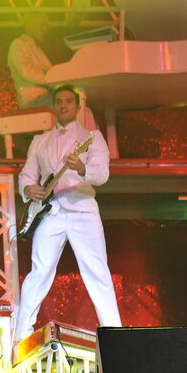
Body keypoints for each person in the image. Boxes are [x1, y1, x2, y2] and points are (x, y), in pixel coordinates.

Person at [14, 84, 121, 343]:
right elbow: (26, 175)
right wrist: (30, 188)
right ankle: (20, 339)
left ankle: (116, 339)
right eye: (59, 101)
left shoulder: (92, 137)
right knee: (38, 273)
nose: (64, 105)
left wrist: (82, 168)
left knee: (97, 272)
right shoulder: (39, 141)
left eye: (69, 101)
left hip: (83, 210)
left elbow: (102, 174)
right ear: (54, 106)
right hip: (51, 213)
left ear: (77, 106)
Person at [7, 12, 54, 109]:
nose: (45, 30)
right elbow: (27, 72)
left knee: (79, 106)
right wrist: (52, 78)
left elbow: (50, 72)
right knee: (69, 104)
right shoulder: (18, 44)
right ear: (30, 26)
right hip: (32, 100)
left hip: (45, 97)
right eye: (42, 26)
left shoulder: (36, 48)